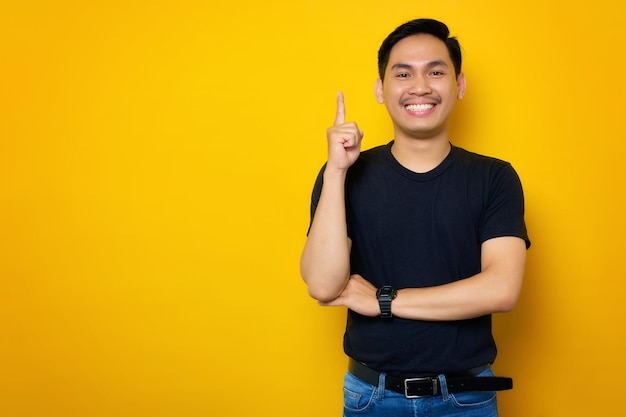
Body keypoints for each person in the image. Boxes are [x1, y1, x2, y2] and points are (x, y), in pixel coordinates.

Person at [300, 18, 530, 417]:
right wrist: (336, 171)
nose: (419, 86)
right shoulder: (343, 175)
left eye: (435, 71)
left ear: (459, 85)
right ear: (380, 89)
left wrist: (384, 301)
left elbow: (501, 288)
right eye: (403, 73)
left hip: (467, 398)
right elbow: (322, 284)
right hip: (370, 397)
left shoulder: (495, 178)